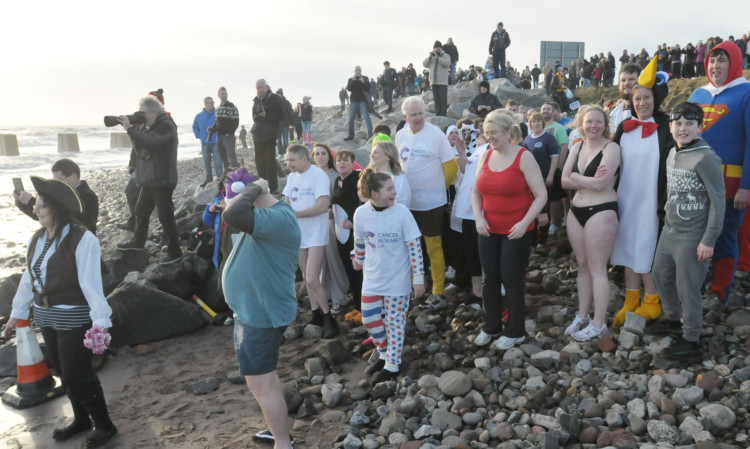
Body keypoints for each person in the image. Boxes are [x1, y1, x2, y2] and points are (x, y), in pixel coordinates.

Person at [4, 176, 116, 448]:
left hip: (74, 318)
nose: (35, 209)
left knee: (78, 374)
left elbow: (91, 284)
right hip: (46, 317)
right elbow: (29, 279)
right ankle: (80, 420)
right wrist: (17, 313)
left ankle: (104, 425)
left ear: (55, 207)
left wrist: (101, 322)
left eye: (41, 205)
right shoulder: (37, 238)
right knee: (64, 373)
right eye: (36, 205)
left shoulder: (82, 238)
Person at [221, 177, 298, 449]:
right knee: (267, 378)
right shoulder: (271, 216)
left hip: (261, 314)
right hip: (252, 310)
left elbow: (233, 214)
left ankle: (282, 443)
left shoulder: (277, 220)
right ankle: (279, 433)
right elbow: (233, 212)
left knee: (261, 384)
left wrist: (257, 187)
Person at [648, 102, 725, 360]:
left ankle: (691, 339)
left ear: (699, 127)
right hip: (670, 231)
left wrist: (709, 239)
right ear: (670, 127)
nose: (683, 129)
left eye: (689, 124)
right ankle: (673, 318)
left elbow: (718, 201)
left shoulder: (706, 158)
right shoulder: (672, 153)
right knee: (660, 275)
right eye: (678, 124)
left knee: (688, 286)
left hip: (693, 236)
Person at [471, 110, 547, 350]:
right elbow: (475, 191)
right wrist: (478, 218)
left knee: (511, 278)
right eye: (486, 133)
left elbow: (541, 195)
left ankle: (516, 331)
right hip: (488, 227)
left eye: (493, 132)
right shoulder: (485, 156)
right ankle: (490, 326)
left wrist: (525, 223)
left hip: (517, 229)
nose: (489, 137)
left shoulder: (523, 156)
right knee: (489, 278)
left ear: (506, 131)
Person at [611, 57, 674, 328]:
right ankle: (630, 299)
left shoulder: (666, 129)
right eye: (637, 99)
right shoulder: (623, 129)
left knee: (647, 249)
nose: (641, 103)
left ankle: (652, 299)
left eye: (647, 98)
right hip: (626, 200)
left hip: (652, 201)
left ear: (655, 98)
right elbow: (610, 164)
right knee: (626, 248)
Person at [689, 41, 750, 310]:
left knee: (725, 236)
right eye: (712, 60)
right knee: (696, 235)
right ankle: (696, 285)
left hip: (730, 184)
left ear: (734, 62)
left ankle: (719, 292)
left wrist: (746, 186)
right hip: (696, 182)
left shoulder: (746, 93)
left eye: (722, 60)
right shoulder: (698, 95)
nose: (715, 66)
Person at [353, 170, 424, 384]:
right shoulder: (360, 213)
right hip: (372, 278)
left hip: (397, 280)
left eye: (394, 187)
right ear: (374, 194)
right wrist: (357, 259)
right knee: (369, 319)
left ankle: (392, 365)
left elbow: (415, 247)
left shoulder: (402, 212)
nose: (395, 192)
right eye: (389, 189)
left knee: (394, 322)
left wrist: (418, 277)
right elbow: (359, 242)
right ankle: (383, 352)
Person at [561, 106, 621, 341]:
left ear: (605, 125)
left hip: (602, 210)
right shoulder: (577, 146)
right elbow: (563, 181)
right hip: (576, 211)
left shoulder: (612, 147)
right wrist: (580, 180)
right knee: (583, 266)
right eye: (589, 122)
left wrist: (576, 177)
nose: (593, 126)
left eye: (598, 122)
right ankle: (583, 315)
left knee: (598, 269)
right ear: (581, 125)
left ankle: (599, 324)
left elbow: (601, 184)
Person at [395, 97, 458, 309]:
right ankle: (417, 285)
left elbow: (451, 166)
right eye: (414, 115)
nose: (419, 117)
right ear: (405, 117)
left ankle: (438, 290)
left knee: (433, 246)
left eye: (421, 113)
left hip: (432, 203)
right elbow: (397, 166)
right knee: (412, 246)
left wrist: (439, 188)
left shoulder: (435, 135)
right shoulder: (401, 135)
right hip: (407, 204)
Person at [116, 95, 182, 265]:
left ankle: (175, 251)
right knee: (141, 211)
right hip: (151, 179)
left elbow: (152, 143)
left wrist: (131, 129)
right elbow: (142, 148)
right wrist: (135, 130)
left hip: (162, 178)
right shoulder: (152, 126)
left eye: (143, 112)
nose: (141, 115)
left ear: (153, 113)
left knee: (165, 215)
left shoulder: (166, 125)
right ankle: (138, 243)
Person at [283, 144, 338, 338]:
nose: (288, 164)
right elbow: (286, 200)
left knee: (314, 278)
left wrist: (297, 214)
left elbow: (323, 206)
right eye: (287, 160)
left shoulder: (318, 176)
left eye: (291, 160)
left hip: (316, 232)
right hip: (298, 234)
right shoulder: (291, 177)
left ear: (304, 158)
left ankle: (328, 316)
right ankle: (315, 314)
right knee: (306, 277)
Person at [14, 158, 99, 234]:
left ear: (73, 176)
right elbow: (43, 216)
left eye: (60, 180)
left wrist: (31, 201)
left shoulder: (88, 196)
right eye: (55, 181)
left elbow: (66, 217)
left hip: (81, 243)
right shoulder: (62, 194)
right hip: (65, 241)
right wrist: (22, 203)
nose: (58, 184)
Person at [312, 143, 349, 315]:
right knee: (320, 263)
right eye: (317, 154)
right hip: (313, 224)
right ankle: (324, 293)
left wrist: (332, 212)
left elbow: (340, 200)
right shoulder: (311, 175)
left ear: (329, 156)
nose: (320, 157)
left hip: (330, 223)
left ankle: (339, 297)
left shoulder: (335, 176)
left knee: (334, 260)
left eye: (323, 153)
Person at [331, 150, 363, 314]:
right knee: (348, 268)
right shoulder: (338, 180)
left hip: (354, 232)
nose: (341, 163)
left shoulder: (358, 178)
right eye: (338, 161)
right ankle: (357, 305)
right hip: (340, 233)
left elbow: (363, 201)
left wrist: (352, 219)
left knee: (358, 270)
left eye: (345, 160)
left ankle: (362, 307)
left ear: (352, 162)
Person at [522, 112, 559, 246]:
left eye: (538, 121)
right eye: (533, 121)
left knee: (544, 208)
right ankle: (531, 239)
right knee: (530, 209)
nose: (536, 124)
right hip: (529, 180)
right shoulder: (527, 139)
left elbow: (554, 157)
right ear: (530, 124)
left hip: (544, 178)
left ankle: (542, 240)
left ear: (542, 123)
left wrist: (550, 175)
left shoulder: (549, 138)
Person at [541, 102, 569, 236]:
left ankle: (554, 223)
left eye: (548, 109)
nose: (545, 111)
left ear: (553, 112)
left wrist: (560, 167)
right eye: (543, 109)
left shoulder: (559, 128)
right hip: (539, 169)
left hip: (554, 167)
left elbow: (564, 147)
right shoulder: (536, 127)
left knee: (554, 197)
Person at [251, 79, 284, 194]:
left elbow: (280, 116)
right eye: (257, 88)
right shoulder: (256, 100)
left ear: (266, 87)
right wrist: (259, 115)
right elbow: (254, 116)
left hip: (269, 135)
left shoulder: (274, 99)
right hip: (257, 134)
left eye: (261, 87)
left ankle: (273, 188)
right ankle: (263, 187)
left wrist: (266, 114)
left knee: (270, 162)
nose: (259, 90)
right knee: (259, 162)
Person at [368, 140, 411, 208]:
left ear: (388, 156)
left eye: (376, 153)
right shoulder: (368, 175)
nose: (372, 156)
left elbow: (402, 204)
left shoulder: (399, 178)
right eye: (372, 153)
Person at [193, 96, 223, 186]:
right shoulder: (199, 116)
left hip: (216, 142)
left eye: (213, 102)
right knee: (206, 162)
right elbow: (195, 127)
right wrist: (200, 136)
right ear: (205, 104)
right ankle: (208, 179)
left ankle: (220, 179)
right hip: (205, 143)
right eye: (210, 102)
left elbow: (223, 126)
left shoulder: (217, 114)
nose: (212, 104)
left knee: (218, 161)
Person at [609, 63, 641, 133]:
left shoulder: (650, 110)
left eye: (631, 79)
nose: (626, 83)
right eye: (623, 80)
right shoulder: (611, 112)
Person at [344, 66, 373, 141]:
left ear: (361, 71)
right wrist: (353, 81)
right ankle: (351, 135)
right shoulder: (350, 79)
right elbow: (349, 88)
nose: (358, 71)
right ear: (354, 71)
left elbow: (368, 88)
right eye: (356, 70)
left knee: (366, 117)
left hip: (362, 101)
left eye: (359, 69)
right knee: (351, 119)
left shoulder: (365, 78)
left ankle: (370, 134)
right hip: (353, 101)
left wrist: (363, 82)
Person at [214, 87, 240, 169]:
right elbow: (217, 122)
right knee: (223, 158)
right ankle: (227, 176)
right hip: (219, 137)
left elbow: (236, 122)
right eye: (222, 94)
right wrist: (213, 128)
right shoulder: (217, 109)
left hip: (228, 137)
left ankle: (236, 177)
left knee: (232, 158)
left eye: (225, 93)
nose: (224, 95)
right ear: (218, 95)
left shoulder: (232, 107)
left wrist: (229, 133)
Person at [423, 41, 451, 117]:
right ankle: (438, 114)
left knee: (442, 100)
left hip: (442, 82)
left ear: (441, 48)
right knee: (436, 100)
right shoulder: (431, 57)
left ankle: (443, 115)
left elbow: (447, 64)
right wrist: (429, 57)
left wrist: (438, 58)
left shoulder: (446, 56)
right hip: (433, 81)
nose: (437, 49)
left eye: (439, 47)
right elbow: (424, 64)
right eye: (436, 47)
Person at [275, 89, 294, 155]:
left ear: (281, 94)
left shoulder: (286, 102)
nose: (277, 96)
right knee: (279, 141)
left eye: (279, 94)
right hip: (277, 126)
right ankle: (280, 153)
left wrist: (291, 123)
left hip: (285, 124)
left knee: (286, 140)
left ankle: (286, 153)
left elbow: (290, 113)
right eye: (276, 94)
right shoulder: (274, 103)